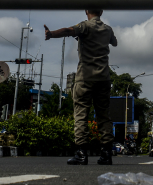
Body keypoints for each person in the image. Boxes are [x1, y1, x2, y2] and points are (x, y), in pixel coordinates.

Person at [45, 10, 117, 165]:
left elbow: (67, 30)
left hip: (85, 77)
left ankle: (81, 154)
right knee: (104, 116)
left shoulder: (84, 26)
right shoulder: (108, 29)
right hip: (103, 78)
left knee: (81, 114)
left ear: (86, 11)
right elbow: (114, 42)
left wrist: (51, 34)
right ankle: (106, 154)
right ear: (102, 12)